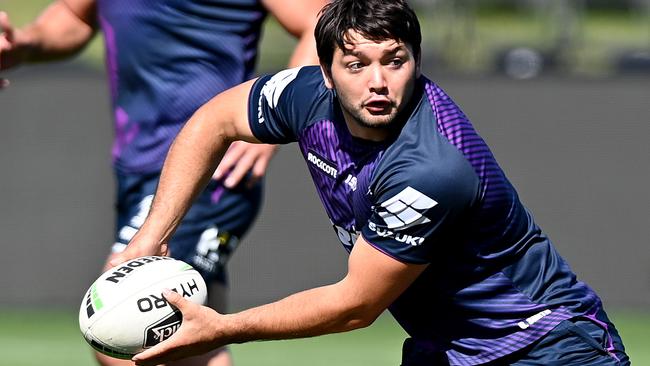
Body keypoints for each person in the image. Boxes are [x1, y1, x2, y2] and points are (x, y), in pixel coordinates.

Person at [110, 0, 630, 365]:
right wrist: (151, 234)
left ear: (416, 61)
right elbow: (213, 121)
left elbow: (355, 306)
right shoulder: (306, 95)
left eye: (394, 60)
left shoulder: (431, 168)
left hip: (545, 346)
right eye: (356, 64)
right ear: (328, 72)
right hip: (448, 347)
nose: (377, 81)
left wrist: (220, 330)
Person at [0, 0, 327, 365]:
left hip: (209, 171)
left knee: (120, 329)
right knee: (195, 342)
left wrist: (272, 120)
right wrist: (22, 43)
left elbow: (322, 23)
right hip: (136, 168)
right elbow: (73, 18)